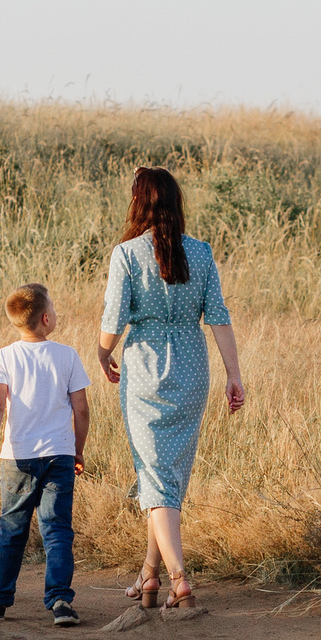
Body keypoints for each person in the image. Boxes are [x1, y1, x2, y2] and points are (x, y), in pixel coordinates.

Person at [98, 167, 246, 609]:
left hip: (144, 366)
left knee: (155, 475)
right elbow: (217, 315)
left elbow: (114, 318)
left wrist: (102, 353)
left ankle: (180, 577)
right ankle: (149, 574)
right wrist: (233, 374)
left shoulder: (125, 254)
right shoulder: (200, 253)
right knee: (166, 476)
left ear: (138, 202)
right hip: (192, 368)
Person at [0, 282, 92, 627]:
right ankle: (59, 601)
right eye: (54, 308)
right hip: (58, 455)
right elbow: (82, 410)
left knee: (12, 530)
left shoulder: (4, 356)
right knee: (57, 530)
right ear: (46, 318)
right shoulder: (67, 355)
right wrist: (78, 450)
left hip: (18, 457)